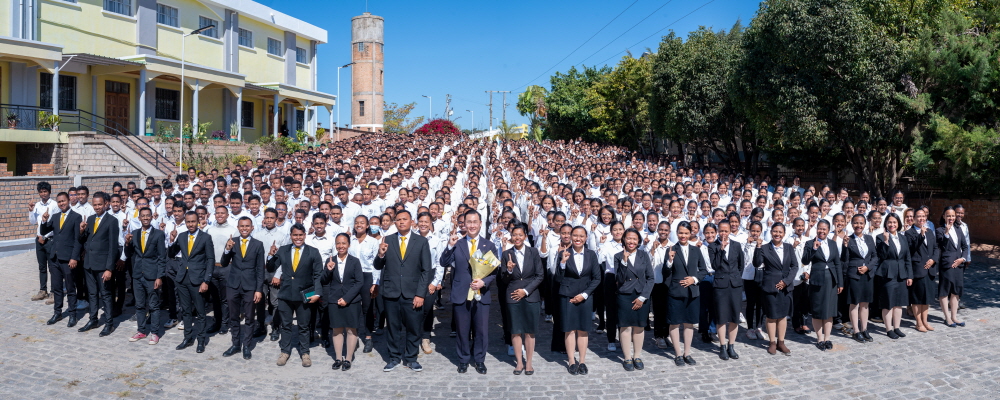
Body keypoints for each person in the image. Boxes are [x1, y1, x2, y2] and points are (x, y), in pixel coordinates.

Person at [374, 210, 434, 373]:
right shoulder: (388, 240)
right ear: (395, 222)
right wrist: (380, 254)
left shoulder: (421, 242)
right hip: (391, 292)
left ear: (411, 221)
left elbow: (425, 270)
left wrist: (421, 294)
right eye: (398, 219)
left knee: (413, 327)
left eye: (404, 219)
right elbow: (378, 266)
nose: (401, 222)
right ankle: (393, 357)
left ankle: (411, 358)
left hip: (413, 293)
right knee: (392, 327)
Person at [440, 210, 498, 374]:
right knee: (462, 330)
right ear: (464, 224)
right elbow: (443, 262)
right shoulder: (457, 243)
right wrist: (449, 246)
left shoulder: (489, 245)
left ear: (480, 224)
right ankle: (463, 359)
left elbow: (494, 272)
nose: (472, 225)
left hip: (481, 294)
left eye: (475, 222)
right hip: (461, 293)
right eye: (469, 222)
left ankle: (479, 360)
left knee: (481, 330)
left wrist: (483, 282)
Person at [267, 223, 322, 367]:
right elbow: (271, 267)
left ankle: (305, 353)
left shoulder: (313, 252)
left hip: (304, 294)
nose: (298, 238)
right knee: (286, 325)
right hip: (285, 294)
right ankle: (285, 351)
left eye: (300, 235)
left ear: (305, 235)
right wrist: (270, 255)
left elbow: (318, 275)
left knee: (304, 326)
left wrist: (317, 293)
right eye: (295, 235)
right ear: (291, 236)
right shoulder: (283, 250)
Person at [498, 223, 544, 375]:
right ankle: (519, 362)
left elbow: (540, 275)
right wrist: (509, 270)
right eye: (514, 235)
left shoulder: (533, 252)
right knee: (516, 331)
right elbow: (503, 280)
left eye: (520, 235)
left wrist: (525, 290)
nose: (517, 238)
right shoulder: (506, 254)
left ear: (525, 236)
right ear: (511, 237)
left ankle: (529, 362)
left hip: (531, 295)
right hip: (513, 296)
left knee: (530, 331)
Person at [168, 211, 216, 353]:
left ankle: (201, 341)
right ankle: (187, 338)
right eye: (188, 222)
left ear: (198, 221)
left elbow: (210, 260)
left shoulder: (205, 238)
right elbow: (171, 254)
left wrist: (206, 280)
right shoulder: (182, 236)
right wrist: (171, 241)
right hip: (182, 279)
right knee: (186, 311)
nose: (190, 224)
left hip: (198, 279)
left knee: (201, 313)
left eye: (193, 222)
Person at [556, 226, 601, 375]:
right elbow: (558, 278)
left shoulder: (591, 254)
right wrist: (563, 263)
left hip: (585, 297)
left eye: (581, 236)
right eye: (575, 235)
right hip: (568, 296)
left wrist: (585, 294)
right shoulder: (563, 253)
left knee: (583, 329)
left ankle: (582, 361)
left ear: (586, 238)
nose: (578, 238)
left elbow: (596, 278)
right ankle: (571, 361)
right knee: (569, 329)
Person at [219, 217, 265, 360]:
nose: (244, 228)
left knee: (250, 317)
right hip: (233, 284)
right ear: (238, 227)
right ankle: (235, 344)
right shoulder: (233, 242)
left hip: (250, 286)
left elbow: (259, 270)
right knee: (234, 316)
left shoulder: (258, 244)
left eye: (247, 226)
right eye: (241, 226)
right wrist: (227, 249)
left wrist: (258, 289)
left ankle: (246, 345)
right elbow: (224, 263)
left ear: (252, 227)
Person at [78, 192, 121, 337]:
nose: (97, 207)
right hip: (89, 264)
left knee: (106, 294)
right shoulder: (90, 219)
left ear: (105, 204)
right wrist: (82, 231)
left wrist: (109, 268)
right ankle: (93, 319)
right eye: (95, 205)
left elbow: (113, 247)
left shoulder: (111, 221)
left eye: (100, 204)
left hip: (103, 266)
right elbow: (85, 240)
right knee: (91, 293)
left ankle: (109, 323)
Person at [667, 221, 708, 366]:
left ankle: (687, 353)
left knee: (689, 323)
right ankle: (678, 353)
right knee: (675, 323)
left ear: (690, 233)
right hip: (676, 292)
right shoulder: (671, 249)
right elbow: (666, 272)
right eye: (680, 233)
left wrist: (694, 279)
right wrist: (669, 261)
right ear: (676, 233)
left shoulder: (696, 250)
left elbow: (703, 270)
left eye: (685, 233)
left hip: (692, 292)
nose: (683, 235)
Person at [124, 207, 167, 345]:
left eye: (148, 215)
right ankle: (141, 330)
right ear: (139, 218)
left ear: (151, 217)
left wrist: (159, 277)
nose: (146, 218)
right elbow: (130, 253)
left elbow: (162, 257)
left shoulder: (158, 234)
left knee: (154, 305)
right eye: (143, 216)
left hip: (152, 275)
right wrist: (127, 243)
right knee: (140, 304)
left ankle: (154, 333)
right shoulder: (135, 233)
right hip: (138, 275)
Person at [39, 192, 83, 327]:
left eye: (63, 201)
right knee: (57, 288)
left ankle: (72, 314)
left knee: (70, 288)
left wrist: (74, 257)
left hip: (68, 259)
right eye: (59, 202)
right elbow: (44, 230)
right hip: (55, 258)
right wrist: (44, 220)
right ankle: (57, 313)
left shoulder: (76, 217)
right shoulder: (56, 216)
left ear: (68, 200)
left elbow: (78, 240)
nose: (61, 203)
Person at [614, 228, 654, 371]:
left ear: (638, 241)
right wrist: (624, 262)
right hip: (625, 296)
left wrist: (643, 297)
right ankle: (627, 357)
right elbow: (618, 279)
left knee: (639, 326)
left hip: (641, 295)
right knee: (625, 327)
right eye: (628, 238)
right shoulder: (618, 256)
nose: (631, 241)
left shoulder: (644, 255)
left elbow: (650, 278)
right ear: (624, 239)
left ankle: (637, 355)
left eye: (634, 239)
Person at [322, 233, 364, 371]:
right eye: (338, 243)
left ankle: (348, 358)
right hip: (334, 299)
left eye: (344, 243)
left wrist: (346, 298)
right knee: (337, 330)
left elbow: (359, 282)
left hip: (351, 300)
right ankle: (338, 358)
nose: (341, 246)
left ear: (348, 245)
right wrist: (328, 270)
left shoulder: (355, 261)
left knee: (351, 330)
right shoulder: (330, 260)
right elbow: (324, 281)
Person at [753, 223, 796, 355]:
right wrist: (758, 247)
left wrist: (786, 282)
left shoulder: (789, 247)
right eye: (775, 231)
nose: (777, 234)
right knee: (771, 316)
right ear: (771, 232)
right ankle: (772, 342)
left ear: (784, 233)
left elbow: (794, 266)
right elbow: (756, 263)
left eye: (780, 232)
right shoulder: (765, 248)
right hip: (770, 286)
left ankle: (781, 342)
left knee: (782, 316)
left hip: (785, 287)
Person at [802, 220, 843, 351]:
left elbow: (837, 264)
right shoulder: (810, 243)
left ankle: (827, 338)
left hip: (831, 279)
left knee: (829, 310)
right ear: (816, 229)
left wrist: (840, 282)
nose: (822, 231)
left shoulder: (832, 243)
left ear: (828, 230)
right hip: (817, 279)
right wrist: (814, 248)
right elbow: (804, 260)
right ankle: (819, 338)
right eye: (819, 229)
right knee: (818, 310)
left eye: (824, 229)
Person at [874, 213, 912, 339]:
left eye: (894, 222)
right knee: (888, 302)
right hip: (888, 274)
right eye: (889, 222)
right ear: (886, 224)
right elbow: (882, 256)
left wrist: (909, 275)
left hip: (901, 274)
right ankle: (889, 328)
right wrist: (886, 241)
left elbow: (907, 258)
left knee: (899, 302)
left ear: (898, 224)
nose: (892, 224)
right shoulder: (880, 237)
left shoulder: (903, 237)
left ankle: (897, 327)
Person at [710, 220, 744, 360]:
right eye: (721, 231)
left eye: (726, 231)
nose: (723, 233)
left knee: (735, 317)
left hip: (735, 285)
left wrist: (736, 278)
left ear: (730, 231)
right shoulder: (713, 246)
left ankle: (731, 345)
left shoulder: (736, 245)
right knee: (722, 317)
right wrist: (721, 250)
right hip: (720, 285)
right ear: (718, 231)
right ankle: (722, 346)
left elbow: (740, 265)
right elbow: (715, 265)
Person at [844, 214, 877, 343]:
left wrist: (867, 267)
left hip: (867, 275)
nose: (858, 225)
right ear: (852, 224)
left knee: (865, 303)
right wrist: (845, 246)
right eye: (856, 223)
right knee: (855, 303)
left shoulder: (869, 238)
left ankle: (864, 329)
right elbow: (845, 259)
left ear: (865, 224)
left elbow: (875, 256)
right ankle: (856, 330)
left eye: (861, 223)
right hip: (854, 275)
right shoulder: (848, 239)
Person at [906, 208, 938, 332]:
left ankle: (925, 321)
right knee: (917, 298)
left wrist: (934, 260)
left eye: (923, 216)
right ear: (913, 218)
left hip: (930, 269)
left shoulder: (930, 231)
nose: (921, 219)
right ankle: (918, 322)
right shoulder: (909, 233)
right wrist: (921, 235)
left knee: (927, 298)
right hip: (918, 269)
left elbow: (936, 248)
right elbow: (911, 249)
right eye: (919, 216)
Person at [937, 206, 969, 328]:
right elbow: (942, 246)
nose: (951, 218)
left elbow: (965, 247)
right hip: (947, 265)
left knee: (956, 291)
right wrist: (946, 232)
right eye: (948, 215)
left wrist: (963, 258)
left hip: (959, 265)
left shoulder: (959, 229)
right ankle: (947, 318)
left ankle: (954, 316)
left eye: (953, 216)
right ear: (944, 216)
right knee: (945, 290)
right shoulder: (939, 230)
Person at [29, 181, 59, 302]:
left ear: (49, 192)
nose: (43, 194)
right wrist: (31, 211)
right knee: (42, 266)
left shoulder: (55, 205)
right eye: (41, 192)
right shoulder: (37, 205)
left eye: (45, 191)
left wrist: (44, 236)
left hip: (49, 239)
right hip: (39, 239)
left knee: (52, 267)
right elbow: (32, 222)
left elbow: (55, 224)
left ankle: (53, 292)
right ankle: (43, 290)